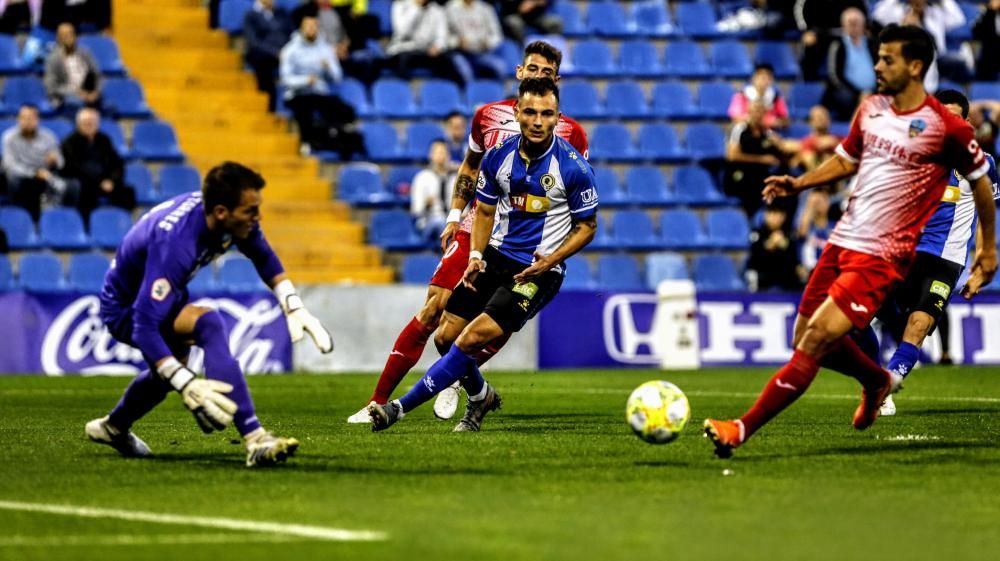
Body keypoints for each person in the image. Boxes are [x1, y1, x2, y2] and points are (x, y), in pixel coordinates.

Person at [703, 24, 997, 458]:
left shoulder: (948, 131)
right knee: (804, 334)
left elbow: (982, 189)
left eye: (887, 59)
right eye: (877, 57)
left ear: (915, 67)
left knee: (818, 337)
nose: (877, 66)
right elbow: (844, 159)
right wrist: (799, 183)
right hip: (845, 240)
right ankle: (877, 380)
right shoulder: (872, 110)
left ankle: (740, 430)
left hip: (887, 252)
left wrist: (987, 253)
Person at [346, 41, 589, 424]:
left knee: (479, 329)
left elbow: (571, 200)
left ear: (556, 81)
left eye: (546, 73)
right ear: (518, 72)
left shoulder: (570, 136)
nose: (537, 76)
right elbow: (469, 167)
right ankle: (380, 399)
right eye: (532, 69)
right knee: (433, 310)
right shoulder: (487, 116)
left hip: (523, 245)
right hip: (477, 227)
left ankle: (455, 383)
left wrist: (552, 256)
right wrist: (454, 215)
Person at [84, 162, 334, 467]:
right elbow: (143, 326)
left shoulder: (226, 217)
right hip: (127, 308)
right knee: (207, 325)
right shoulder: (175, 243)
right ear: (220, 212)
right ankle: (255, 439)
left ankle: (113, 428)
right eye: (250, 211)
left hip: (164, 296)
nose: (257, 218)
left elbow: (263, 255)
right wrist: (186, 382)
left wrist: (293, 304)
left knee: (165, 375)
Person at [878, 89, 1000, 415]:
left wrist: (983, 256)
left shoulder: (984, 164)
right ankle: (876, 378)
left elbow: (988, 212)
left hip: (947, 260)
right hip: (907, 252)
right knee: (877, 313)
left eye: (954, 116)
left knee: (920, 323)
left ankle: (887, 383)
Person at [279, 15, 362, 158]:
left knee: (344, 109)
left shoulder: (325, 49)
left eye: (314, 26)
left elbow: (337, 76)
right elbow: (285, 78)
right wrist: (305, 80)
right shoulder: (290, 50)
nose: (311, 29)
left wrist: (328, 67)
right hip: (298, 93)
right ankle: (307, 143)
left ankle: (341, 141)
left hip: (319, 92)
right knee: (304, 110)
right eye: (308, 26)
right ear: (302, 29)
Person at [2, 104, 77, 221]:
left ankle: (59, 219)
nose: (28, 121)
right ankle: (18, 216)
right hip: (22, 175)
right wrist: (34, 173)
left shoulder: (48, 137)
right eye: (24, 118)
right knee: (12, 176)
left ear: (37, 120)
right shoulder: (9, 137)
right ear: (18, 119)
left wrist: (54, 161)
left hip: (45, 174)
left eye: (31, 118)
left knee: (71, 185)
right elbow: (10, 164)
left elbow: (61, 162)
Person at [60, 107, 135, 223]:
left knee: (127, 191)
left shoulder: (104, 140)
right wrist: (99, 182)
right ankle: (88, 227)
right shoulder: (69, 143)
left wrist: (112, 180)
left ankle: (123, 224)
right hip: (84, 182)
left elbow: (116, 163)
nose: (89, 126)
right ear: (79, 124)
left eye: (92, 123)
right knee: (84, 191)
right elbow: (73, 168)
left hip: (107, 181)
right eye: (86, 123)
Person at [725, 100, 792, 219]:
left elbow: (783, 149)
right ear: (749, 111)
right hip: (740, 173)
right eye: (755, 110)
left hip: (761, 174)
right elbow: (732, 155)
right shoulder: (740, 129)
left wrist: (779, 145)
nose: (757, 114)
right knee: (752, 188)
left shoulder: (768, 133)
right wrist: (762, 159)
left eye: (760, 111)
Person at [822, 7, 878, 122]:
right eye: (850, 23)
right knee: (844, 96)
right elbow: (835, 76)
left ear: (863, 25)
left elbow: (880, 67)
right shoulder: (838, 45)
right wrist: (859, 93)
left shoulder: (872, 43)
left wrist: (871, 91)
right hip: (849, 92)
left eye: (856, 23)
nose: (853, 26)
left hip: (873, 90)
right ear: (843, 25)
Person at [243, 0, 293, 112]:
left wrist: (288, 51)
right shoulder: (251, 15)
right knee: (262, 64)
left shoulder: (281, 12)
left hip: (286, 53)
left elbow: (292, 33)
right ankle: (268, 107)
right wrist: (275, 52)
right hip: (263, 55)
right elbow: (254, 42)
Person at [43, 22, 101, 112]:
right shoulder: (53, 59)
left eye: (70, 34)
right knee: (76, 104)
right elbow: (52, 87)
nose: (68, 37)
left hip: (88, 93)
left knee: (109, 106)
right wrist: (76, 92)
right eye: (64, 35)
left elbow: (97, 75)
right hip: (67, 97)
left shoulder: (85, 53)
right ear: (58, 38)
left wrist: (95, 92)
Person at [446, 0, 506, 84]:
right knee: (466, 72)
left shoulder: (486, 9)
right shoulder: (451, 8)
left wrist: (488, 42)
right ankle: (471, 94)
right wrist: (457, 42)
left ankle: (499, 94)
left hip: (481, 52)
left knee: (500, 66)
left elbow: (497, 36)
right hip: (460, 53)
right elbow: (445, 36)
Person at [746, 205, 802, 292]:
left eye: (778, 214)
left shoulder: (789, 234)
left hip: (786, 280)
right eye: (772, 213)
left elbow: (794, 259)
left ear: (783, 217)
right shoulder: (757, 233)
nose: (775, 217)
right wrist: (770, 245)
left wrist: (783, 245)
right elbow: (755, 258)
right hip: (763, 278)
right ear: (766, 215)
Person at [410, 139, 454, 242]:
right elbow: (416, 211)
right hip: (428, 221)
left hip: (451, 220)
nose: (440, 156)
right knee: (439, 221)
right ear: (431, 155)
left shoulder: (455, 179)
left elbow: (464, 212)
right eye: (437, 152)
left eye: (443, 152)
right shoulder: (422, 178)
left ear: (448, 155)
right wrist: (426, 204)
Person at [728, 63, 790, 129]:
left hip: (769, 133)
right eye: (762, 77)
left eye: (768, 77)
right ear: (754, 77)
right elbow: (735, 118)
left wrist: (774, 123)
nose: (764, 80)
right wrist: (759, 122)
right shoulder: (741, 95)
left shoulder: (776, 98)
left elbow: (786, 121)